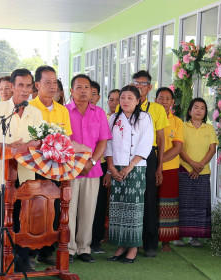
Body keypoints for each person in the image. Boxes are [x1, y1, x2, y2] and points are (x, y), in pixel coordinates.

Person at [0, 68, 43, 272]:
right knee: (1, 223)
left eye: (28, 86)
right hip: (0, 176)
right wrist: (8, 148)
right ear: (12, 86)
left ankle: (22, 262)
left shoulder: (36, 112)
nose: (24, 90)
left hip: (26, 175)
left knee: (22, 221)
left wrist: (35, 144)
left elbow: (40, 140)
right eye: (20, 85)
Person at [28, 65, 72, 266]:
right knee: (33, 208)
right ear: (37, 85)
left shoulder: (63, 110)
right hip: (33, 169)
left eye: (55, 82)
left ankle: (46, 251)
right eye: (48, 82)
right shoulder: (29, 108)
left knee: (53, 209)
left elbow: (67, 139)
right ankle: (28, 253)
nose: (53, 86)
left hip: (56, 168)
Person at [104, 85, 153, 263]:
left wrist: (129, 167)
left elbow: (146, 143)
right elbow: (107, 144)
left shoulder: (145, 117)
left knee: (134, 208)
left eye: (130, 98)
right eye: (122, 98)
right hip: (116, 167)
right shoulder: (113, 118)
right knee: (118, 206)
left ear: (138, 100)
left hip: (136, 168)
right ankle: (120, 246)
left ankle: (132, 247)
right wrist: (111, 167)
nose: (125, 101)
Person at [66, 74, 112, 263]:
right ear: (71, 91)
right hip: (69, 169)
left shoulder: (99, 113)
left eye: (87, 88)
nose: (84, 91)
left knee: (88, 209)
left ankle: (84, 248)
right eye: (79, 87)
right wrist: (77, 164)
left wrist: (91, 162)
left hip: (92, 169)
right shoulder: (64, 111)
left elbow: (103, 141)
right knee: (68, 211)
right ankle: (68, 249)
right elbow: (62, 140)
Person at [132, 70, 169, 257]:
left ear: (149, 87)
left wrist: (159, 167)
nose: (139, 86)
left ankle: (150, 244)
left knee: (149, 199)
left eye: (143, 83)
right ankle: (130, 242)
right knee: (131, 197)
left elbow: (161, 140)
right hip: (128, 156)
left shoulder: (157, 109)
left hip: (149, 156)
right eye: (136, 83)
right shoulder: (124, 104)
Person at [176, 98, 217, 247]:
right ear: (190, 111)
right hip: (184, 169)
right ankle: (178, 236)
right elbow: (179, 148)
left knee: (200, 204)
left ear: (205, 112)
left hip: (203, 171)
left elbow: (212, 149)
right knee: (182, 203)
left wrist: (199, 166)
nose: (199, 110)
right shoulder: (183, 126)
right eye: (196, 107)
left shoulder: (209, 128)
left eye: (202, 108)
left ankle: (195, 237)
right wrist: (192, 164)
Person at [90, 88, 120, 254]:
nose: (89, 95)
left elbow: (109, 146)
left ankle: (96, 240)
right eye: (112, 99)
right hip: (82, 164)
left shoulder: (106, 116)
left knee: (100, 205)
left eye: (93, 93)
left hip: (101, 164)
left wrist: (109, 170)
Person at [155, 87, 183, 251]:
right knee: (151, 203)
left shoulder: (177, 122)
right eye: (161, 98)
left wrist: (159, 161)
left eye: (167, 99)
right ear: (156, 100)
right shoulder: (149, 118)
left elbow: (177, 147)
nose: (164, 101)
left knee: (168, 204)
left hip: (170, 168)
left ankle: (166, 241)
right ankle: (149, 238)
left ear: (172, 102)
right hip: (150, 167)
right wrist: (155, 164)